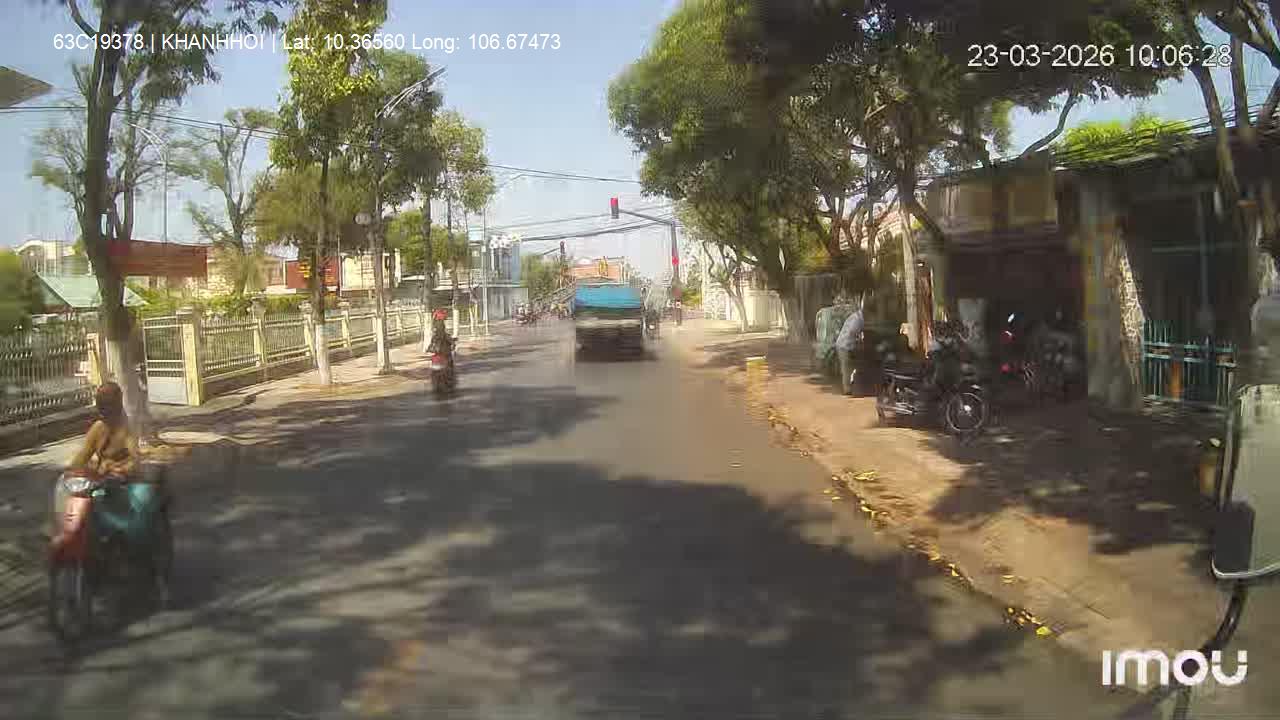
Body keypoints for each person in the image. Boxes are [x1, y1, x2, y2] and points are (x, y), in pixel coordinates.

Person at [835, 298, 865, 395]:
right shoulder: (857, 318)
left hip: (847, 344)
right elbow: (852, 331)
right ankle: (847, 389)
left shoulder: (857, 317)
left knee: (850, 366)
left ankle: (851, 385)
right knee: (846, 367)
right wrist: (859, 337)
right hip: (844, 344)